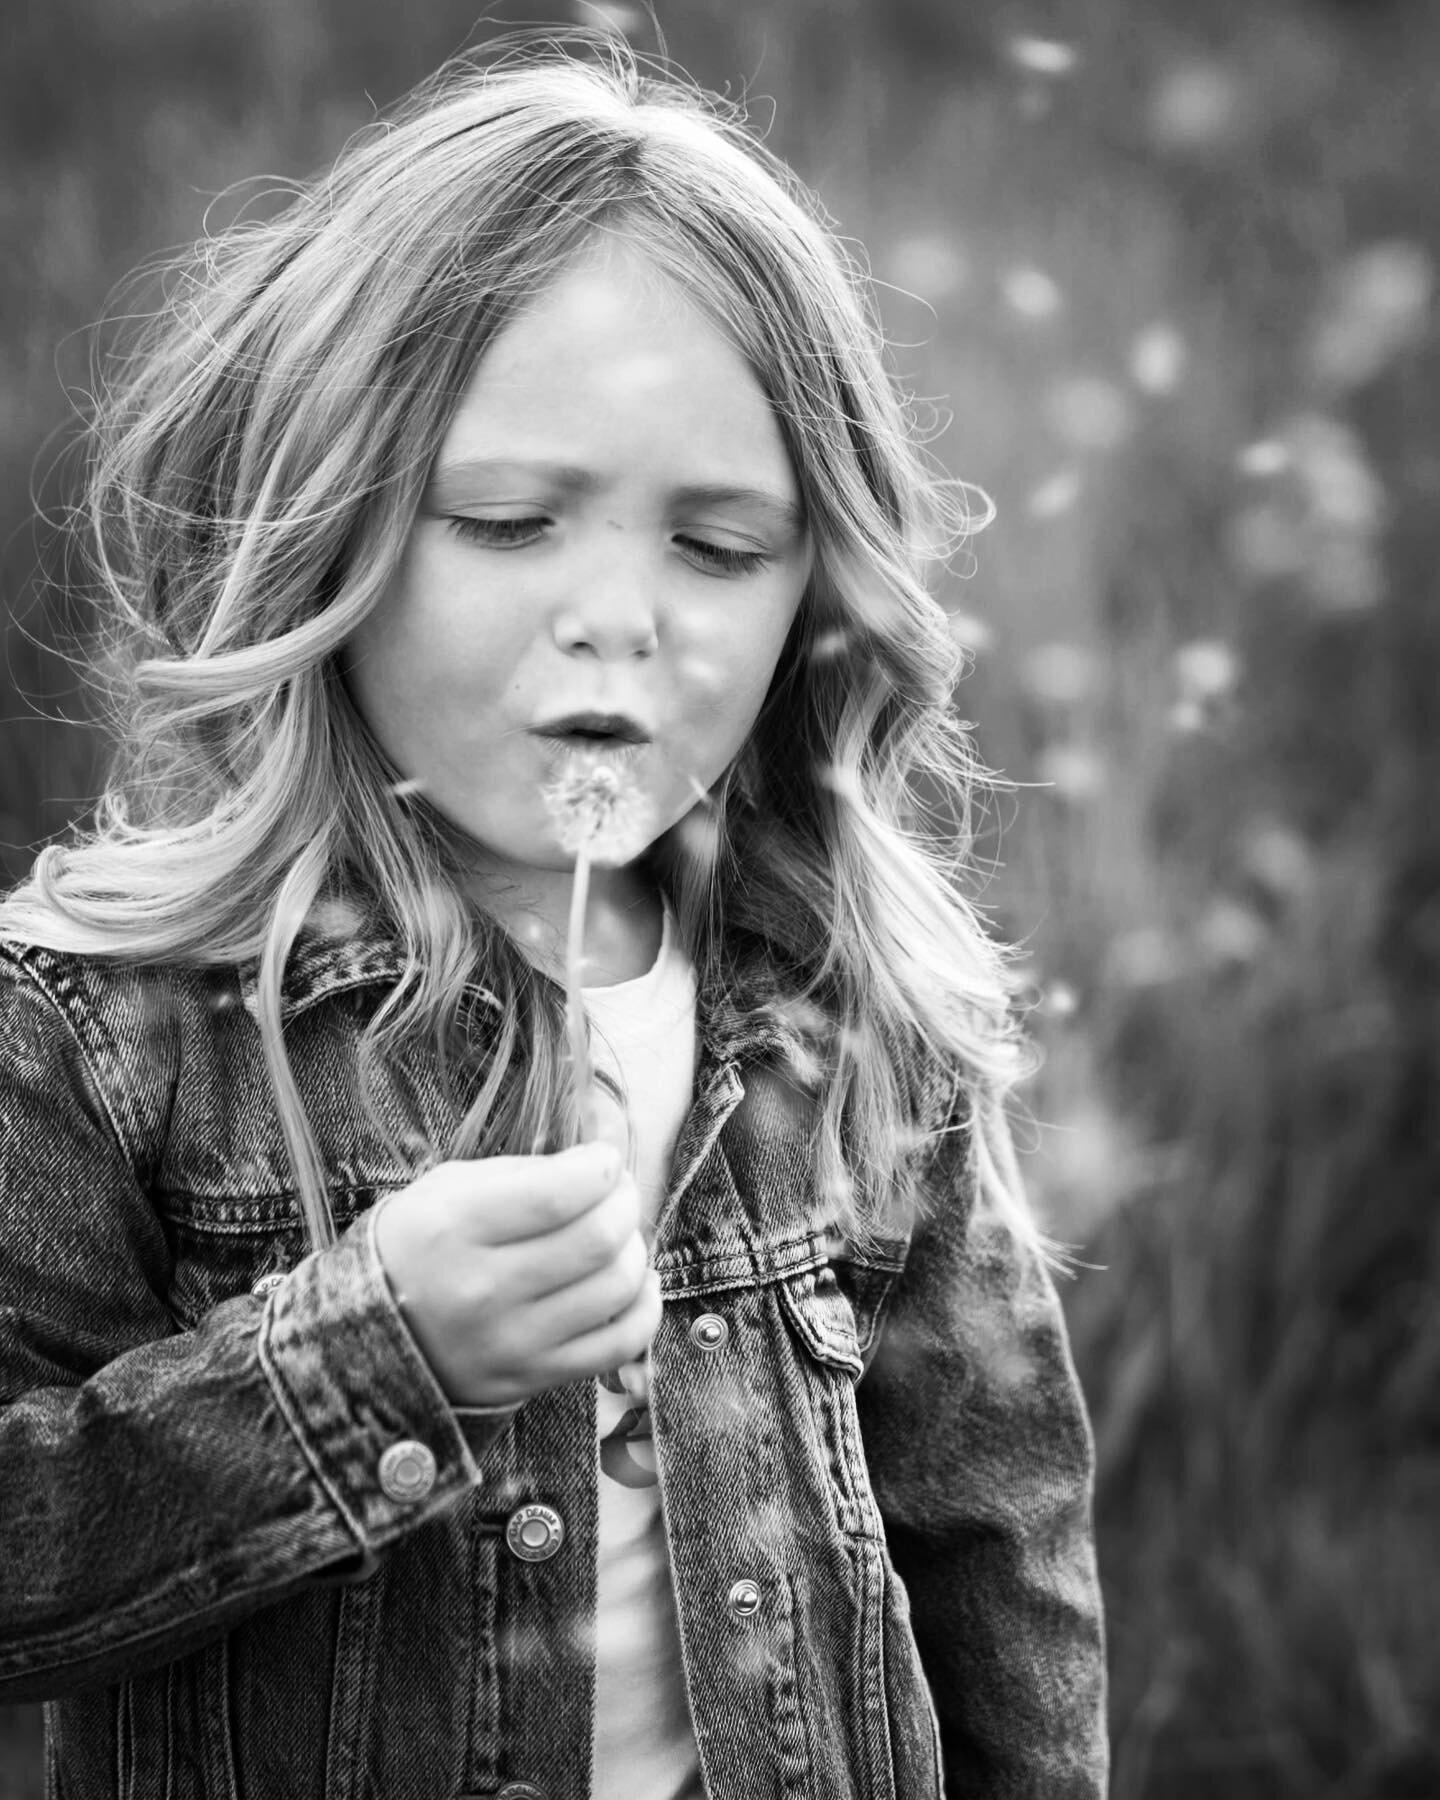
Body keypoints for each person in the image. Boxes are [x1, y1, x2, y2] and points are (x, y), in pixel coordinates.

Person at [0, 34, 1108, 1799]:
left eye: (720, 550)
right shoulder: (111, 1030)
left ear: (816, 599)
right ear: (334, 524)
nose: (619, 620)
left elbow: (1000, 1537)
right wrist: (366, 1358)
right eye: (512, 522)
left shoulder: (853, 1020)